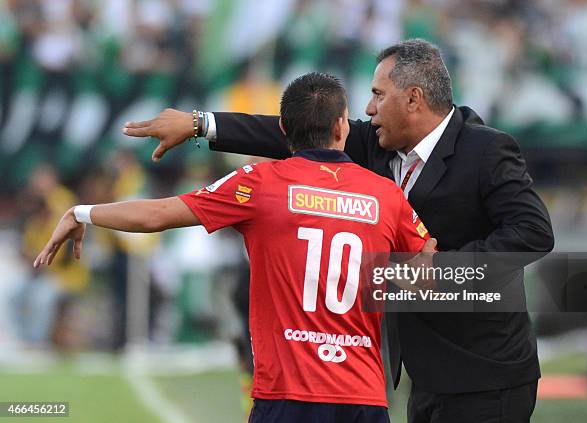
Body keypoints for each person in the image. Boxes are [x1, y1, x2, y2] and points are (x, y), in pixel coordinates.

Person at [123, 39, 555, 422]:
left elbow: (533, 231)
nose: (368, 109)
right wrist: (200, 124)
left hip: (488, 372)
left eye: (378, 95)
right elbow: (291, 132)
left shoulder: (485, 149)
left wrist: (445, 269)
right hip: (425, 374)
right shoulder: (379, 146)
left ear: (414, 99)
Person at [36, 72, 434, 423]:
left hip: (286, 395)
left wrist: (81, 212)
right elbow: (428, 269)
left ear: (282, 127)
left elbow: (155, 216)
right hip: (362, 397)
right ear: (341, 127)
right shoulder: (387, 196)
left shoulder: (260, 182)